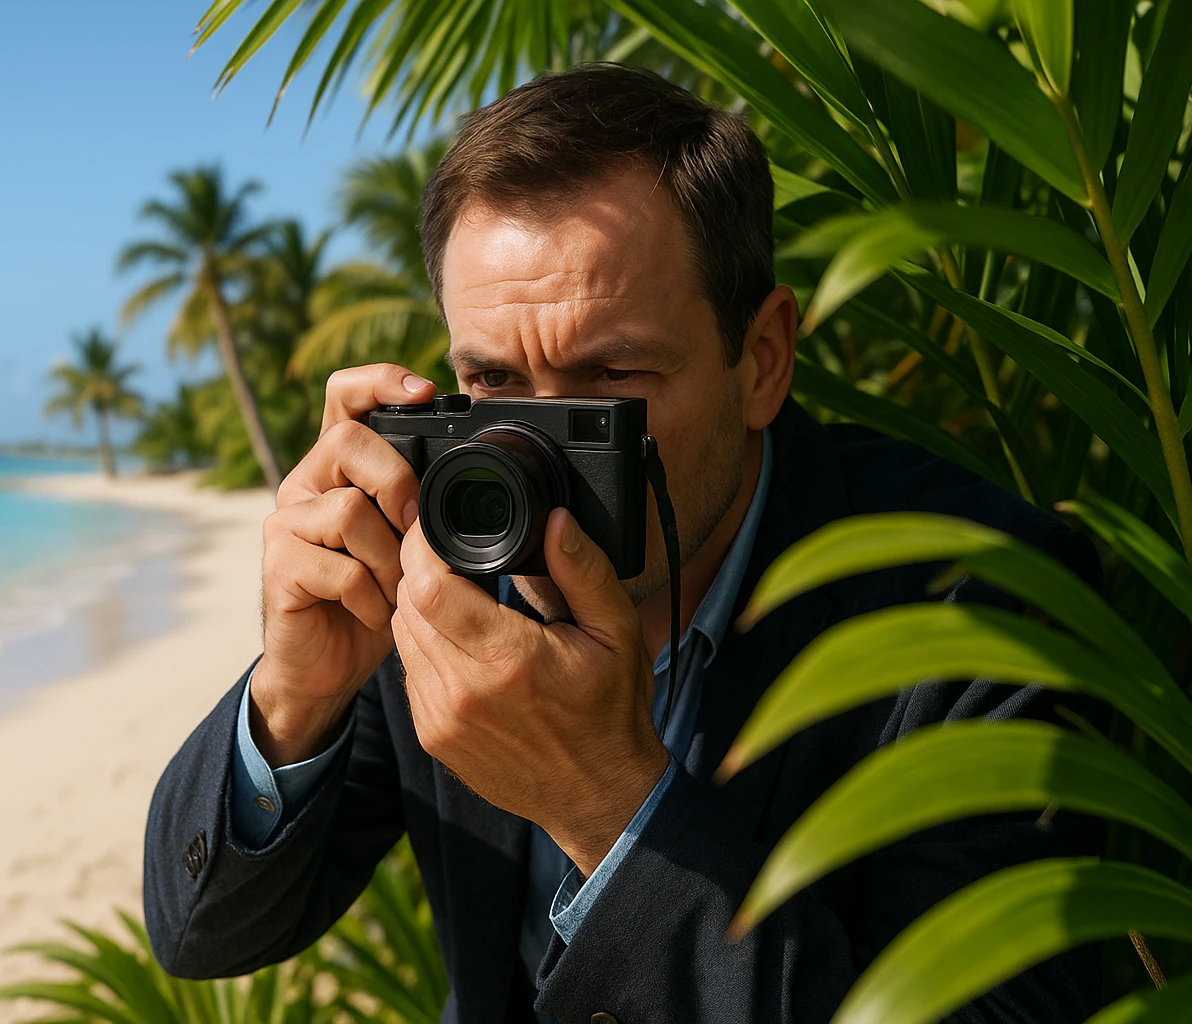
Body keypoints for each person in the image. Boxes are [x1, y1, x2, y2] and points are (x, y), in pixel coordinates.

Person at [143, 63, 1103, 1023]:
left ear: (762, 362)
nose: (541, 453)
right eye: (495, 384)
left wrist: (609, 809)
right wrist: (293, 699)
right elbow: (206, 934)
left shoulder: (973, 606)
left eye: (612, 376)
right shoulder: (444, 566)